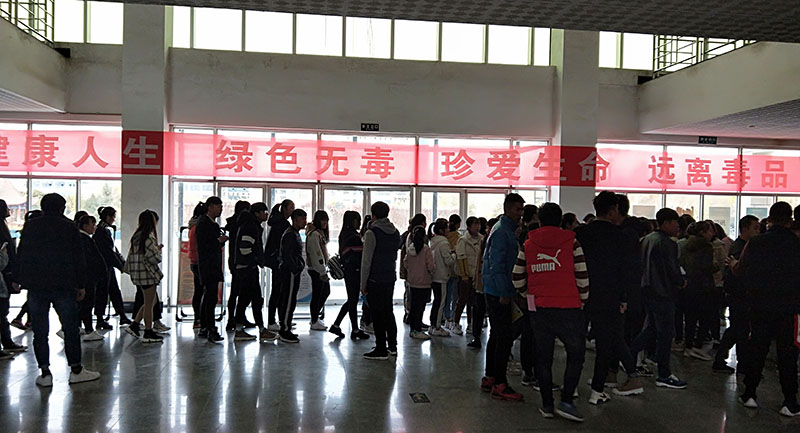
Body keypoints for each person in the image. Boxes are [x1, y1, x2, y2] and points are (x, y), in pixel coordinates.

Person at [512, 202, 589, 420]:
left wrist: (529, 294)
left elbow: (517, 277)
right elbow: (582, 275)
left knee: (543, 358)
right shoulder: (572, 242)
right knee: (576, 354)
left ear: (540, 220)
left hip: (540, 309)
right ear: (560, 220)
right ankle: (566, 401)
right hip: (569, 308)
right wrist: (582, 300)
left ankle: (547, 405)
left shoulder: (528, 244)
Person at [17, 193, 100, 386]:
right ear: (63, 208)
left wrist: (20, 279)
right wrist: (81, 284)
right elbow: (78, 258)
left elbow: (22, 253)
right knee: (71, 329)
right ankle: (76, 370)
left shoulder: (31, 226)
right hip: (64, 285)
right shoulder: (69, 227)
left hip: (37, 285)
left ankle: (45, 373)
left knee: (40, 331)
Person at [574, 192, 643, 406]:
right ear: (613, 210)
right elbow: (627, 271)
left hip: (581, 294)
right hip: (609, 297)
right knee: (605, 344)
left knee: (576, 341)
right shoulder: (621, 236)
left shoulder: (580, 233)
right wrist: (624, 298)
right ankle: (597, 390)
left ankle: (572, 386)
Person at [735, 202, 800, 416]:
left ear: (769, 219)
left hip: (760, 306)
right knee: (787, 354)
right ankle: (789, 401)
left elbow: (742, 270)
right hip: (789, 308)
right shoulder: (796, 243)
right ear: (789, 219)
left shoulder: (755, 243)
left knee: (757, 349)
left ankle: (750, 394)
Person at [629, 208, 688, 390]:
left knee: (652, 329)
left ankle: (628, 355)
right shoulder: (667, 243)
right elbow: (672, 269)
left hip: (647, 291)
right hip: (663, 292)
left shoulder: (646, 240)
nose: (678, 227)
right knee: (665, 334)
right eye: (675, 223)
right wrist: (681, 282)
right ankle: (664, 374)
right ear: (666, 223)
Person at [480, 193, 525, 402]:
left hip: (496, 289)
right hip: (499, 292)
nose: (520, 214)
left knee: (497, 335)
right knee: (504, 337)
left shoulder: (505, 229)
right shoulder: (501, 232)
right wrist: (505, 292)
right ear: (507, 209)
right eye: (517, 209)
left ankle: (490, 376)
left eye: (521, 209)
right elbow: (496, 265)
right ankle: (500, 383)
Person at [713, 215, 759, 374]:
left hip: (739, 294)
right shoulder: (741, 248)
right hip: (740, 295)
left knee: (738, 329)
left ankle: (727, 360)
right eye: (755, 228)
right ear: (745, 229)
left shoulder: (743, 246)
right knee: (740, 329)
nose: (758, 231)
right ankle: (739, 363)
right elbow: (740, 273)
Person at [360, 202, 402, 360]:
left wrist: (363, 283)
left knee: (377, 314)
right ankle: (392, 346)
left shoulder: (372, 233)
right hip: (390, 276)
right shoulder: (395, 232)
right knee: (388, 311)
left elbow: (366, 261)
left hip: (375, 278)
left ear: (374, 215)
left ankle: (380, 348)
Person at [232, 202, 276, 342]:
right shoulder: (250, 226)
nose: (266, 214)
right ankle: (260, 330)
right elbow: (245, 248)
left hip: (244, 267)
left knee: (245, 298)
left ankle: (241, 329)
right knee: (254, 298)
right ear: (257, 213)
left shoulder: (249, 225)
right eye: (264, 211)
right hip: (248, 268)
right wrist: (256, 259)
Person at [123, 210, 165, 343]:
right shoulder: (148, 237)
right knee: (149, 304)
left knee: (150, 301)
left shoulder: (136, 236)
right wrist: (158, 251)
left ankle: (135, 325)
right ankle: (148, 332)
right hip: (147, 274)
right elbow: (154, 258)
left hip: (138, 274)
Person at [679, 221, 717, 362]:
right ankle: (699, 345)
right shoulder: (706, 246)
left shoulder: (686, 245)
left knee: (690, 317)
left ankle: (688, 345)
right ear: (702, 232)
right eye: (709, 231)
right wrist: (716, 267)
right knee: (705, 317)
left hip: (690, 285)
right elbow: (707, 266)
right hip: (704, 286)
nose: (712, 233)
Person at [330, 211, 370, 341]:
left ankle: (339, 326)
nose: (359, 223)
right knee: (352, 301)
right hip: (355, 271)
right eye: (357, 220)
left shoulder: (344, 235)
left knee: (352, 300)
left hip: (349, 272)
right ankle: (353, 329)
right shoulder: (353, 237)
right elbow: (361, 254)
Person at [93, 206, 132, 329]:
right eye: (113, 217)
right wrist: (121, 266)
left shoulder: (102, 230)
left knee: (112, 291)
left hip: (106, 266)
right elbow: (109, 252)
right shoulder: (102, 231)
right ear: (108, 217)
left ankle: (121, 315)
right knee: (104, 292)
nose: (114, 219)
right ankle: (102, 318)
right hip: (104, 267)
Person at [196, 197, 228, 344]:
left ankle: (205, 327)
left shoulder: (209, 223)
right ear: (210, 207)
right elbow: (205, 245)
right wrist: (218, 241)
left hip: (210, 265)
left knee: (208, 296)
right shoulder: (205, 223)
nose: (220, 209)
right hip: (209, 266)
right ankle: (210, 328)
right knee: (210, 297)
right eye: (218, 206)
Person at [467, 217, 498, 349]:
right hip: (481, 282)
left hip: (493, 284)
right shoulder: (484, 241)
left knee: (493, 314)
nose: (487, 230)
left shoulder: (494, 241)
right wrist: (475, 280)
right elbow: (478, 263)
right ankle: (476, 336)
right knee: (478, 310)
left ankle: (493, 340)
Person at [0, 199, 26, 355]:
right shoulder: (2, 229)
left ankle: (7, 341)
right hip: (4, 274)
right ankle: (6, 342)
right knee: (2, 312)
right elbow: (5, 255)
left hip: (5, 274)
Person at [277, 209, 307, 344]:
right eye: (302, 219)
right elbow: (288, 256)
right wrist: (295, 269)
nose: (305, 222)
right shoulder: (290, 235)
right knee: (288, 300)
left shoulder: (294, 233)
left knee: (290, 300)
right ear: (295, 220)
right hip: (290, 273)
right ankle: (284, 329)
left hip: (292, 271)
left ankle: (286, 326)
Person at [10, 209, 42, 331]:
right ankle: (21, 318)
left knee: (32, 296)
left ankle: (29, 320)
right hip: (36, 272)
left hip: (28, 271)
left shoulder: (27, 234)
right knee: (34, 297)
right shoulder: (38, 235)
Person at [265, 200, 294, 331]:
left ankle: (281, 319)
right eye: (291, 207)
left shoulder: (278, 222)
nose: (293, 210)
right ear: (285, 209)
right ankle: (273, 320)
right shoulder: (282, 224)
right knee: (278, 291)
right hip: (278, 262)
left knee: (278, 291)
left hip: (275, 260)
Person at [77, 215, 106, 342]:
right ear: (85, 226)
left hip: (86, 276)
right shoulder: (84, 240)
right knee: (87, 303)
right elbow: (90, 260)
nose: (94, 227)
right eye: (92, 225)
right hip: (88, 277)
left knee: (83, 304)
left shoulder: (82, 239)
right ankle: (89, 329)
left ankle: (80, 326)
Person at [225, 200, 251, 332]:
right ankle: (237, 318)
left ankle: (233, 318)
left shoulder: (232, 223)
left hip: (233, 260)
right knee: (243, 292)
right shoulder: (242, 224)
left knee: (235, 292)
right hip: (241, 261)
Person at [404, 226, 435, 340]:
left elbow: (405, 263)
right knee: (420, 307)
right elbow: (430, 266)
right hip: (424, 282)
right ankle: (417, 330)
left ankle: (413, 329)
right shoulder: (426, 249)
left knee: (414, 307)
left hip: (412, 282)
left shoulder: (410, 248)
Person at [452, 216, 481, 336]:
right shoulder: (463, 240)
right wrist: (464, 275)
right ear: (468, 226)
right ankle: (455, 323)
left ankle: (471, 324)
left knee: (473, 301)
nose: (477, 227)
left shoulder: (481, 239)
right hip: (465, 276)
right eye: (475, 224)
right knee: (462, 299)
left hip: (476, 276)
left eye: (478, 224)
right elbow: (461, 257)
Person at [400, 214, 427, 325]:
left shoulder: (408, 235)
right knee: (416, 298)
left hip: (409, 270)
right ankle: (414, 320)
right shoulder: (417, 236)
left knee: (409, 294)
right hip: (418, 272)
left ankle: (409, 315)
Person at [306, 211, 331, 331]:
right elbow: (316, 254)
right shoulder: (314, 234)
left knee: (323, 292)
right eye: (322, 220)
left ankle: (315, 317)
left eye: (326, 220)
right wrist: (322, 271)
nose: (325, 222)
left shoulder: (319, 234)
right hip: (316, 269)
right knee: (318, 294)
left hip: (319, 268)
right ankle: (314, 320)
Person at [430, 219, 455, 337]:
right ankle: (437, 327)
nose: (449, 230)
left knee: (436, 302)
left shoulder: (433, 241)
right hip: (441, 276)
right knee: (440, 303)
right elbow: (448, 261)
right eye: (447, 228)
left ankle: (433, 325)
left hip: (434, 275)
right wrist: (454, 255)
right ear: (441, 230)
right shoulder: (444, 243)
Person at [187, 202, 206, 328]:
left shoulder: (192, 226)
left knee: (198, 291)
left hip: (193, 260)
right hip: (200, 261)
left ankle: (197, 319)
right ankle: (201, 319)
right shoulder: (200, 226)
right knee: (202, 291)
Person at [443, 214, 462, 329]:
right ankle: (453, 318)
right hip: (455, 269)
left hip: (444, 270)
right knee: (455, 296)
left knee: (445, 295)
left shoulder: (444, 237)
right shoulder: (459, 237)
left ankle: (445, 317)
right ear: (458, 224)